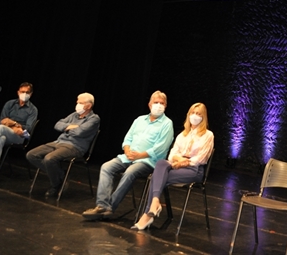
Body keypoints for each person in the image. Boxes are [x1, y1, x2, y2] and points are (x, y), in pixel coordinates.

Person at [82, 90, 174, 220]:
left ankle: (110, 208)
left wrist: (139, 156)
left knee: (130, 172)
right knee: (106, 167)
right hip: (128, 156)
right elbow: (128, 139)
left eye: (161, 103)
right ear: (149, 104)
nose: (158, 105)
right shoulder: (139, 120)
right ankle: (102, 206)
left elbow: (161, 148)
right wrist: (127, 151)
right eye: (156, 102)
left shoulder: (167, 124)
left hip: (148, 161)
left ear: (165, 106)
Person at [132, 102, 214, 230]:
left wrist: (183, 162)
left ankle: (148, 213)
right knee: (161, 163)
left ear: (203, 117)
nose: (195, 116)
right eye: (193, 113)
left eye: (198, 114)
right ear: (188, 115)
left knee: (157, 176)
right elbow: (172, 154)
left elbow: (201, 158)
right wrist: (180, 161)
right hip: (177, 165)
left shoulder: (208, 135)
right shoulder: (183, 134)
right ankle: (154, 204)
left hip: (194, 170)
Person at [26, 93, 100, 197]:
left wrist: (67, 128)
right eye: (77, 102)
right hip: (58, 142)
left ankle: (55, 185)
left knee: (49, 159)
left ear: (88, 105)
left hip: (75, 146)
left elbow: (80, 132)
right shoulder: (73, 115)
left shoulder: (94, 119)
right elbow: (57, 125)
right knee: (31, 155)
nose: (77, 104)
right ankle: (61, 175)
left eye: (80, 102)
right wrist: (72, 126)